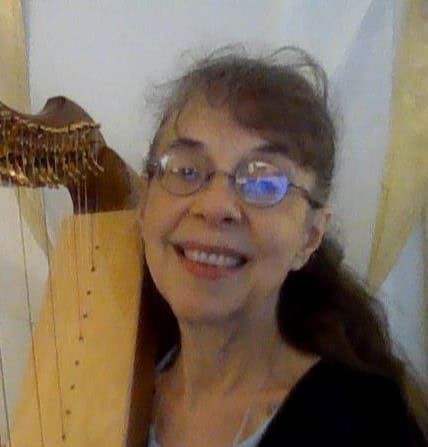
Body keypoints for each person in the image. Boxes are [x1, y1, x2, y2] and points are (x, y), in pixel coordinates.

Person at [139, 46, 427, 446]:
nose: (215, 206)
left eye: (263, 182)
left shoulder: (368, 425)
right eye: (186, 170)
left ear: (310, 237)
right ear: (144, 204)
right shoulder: (115, 391)